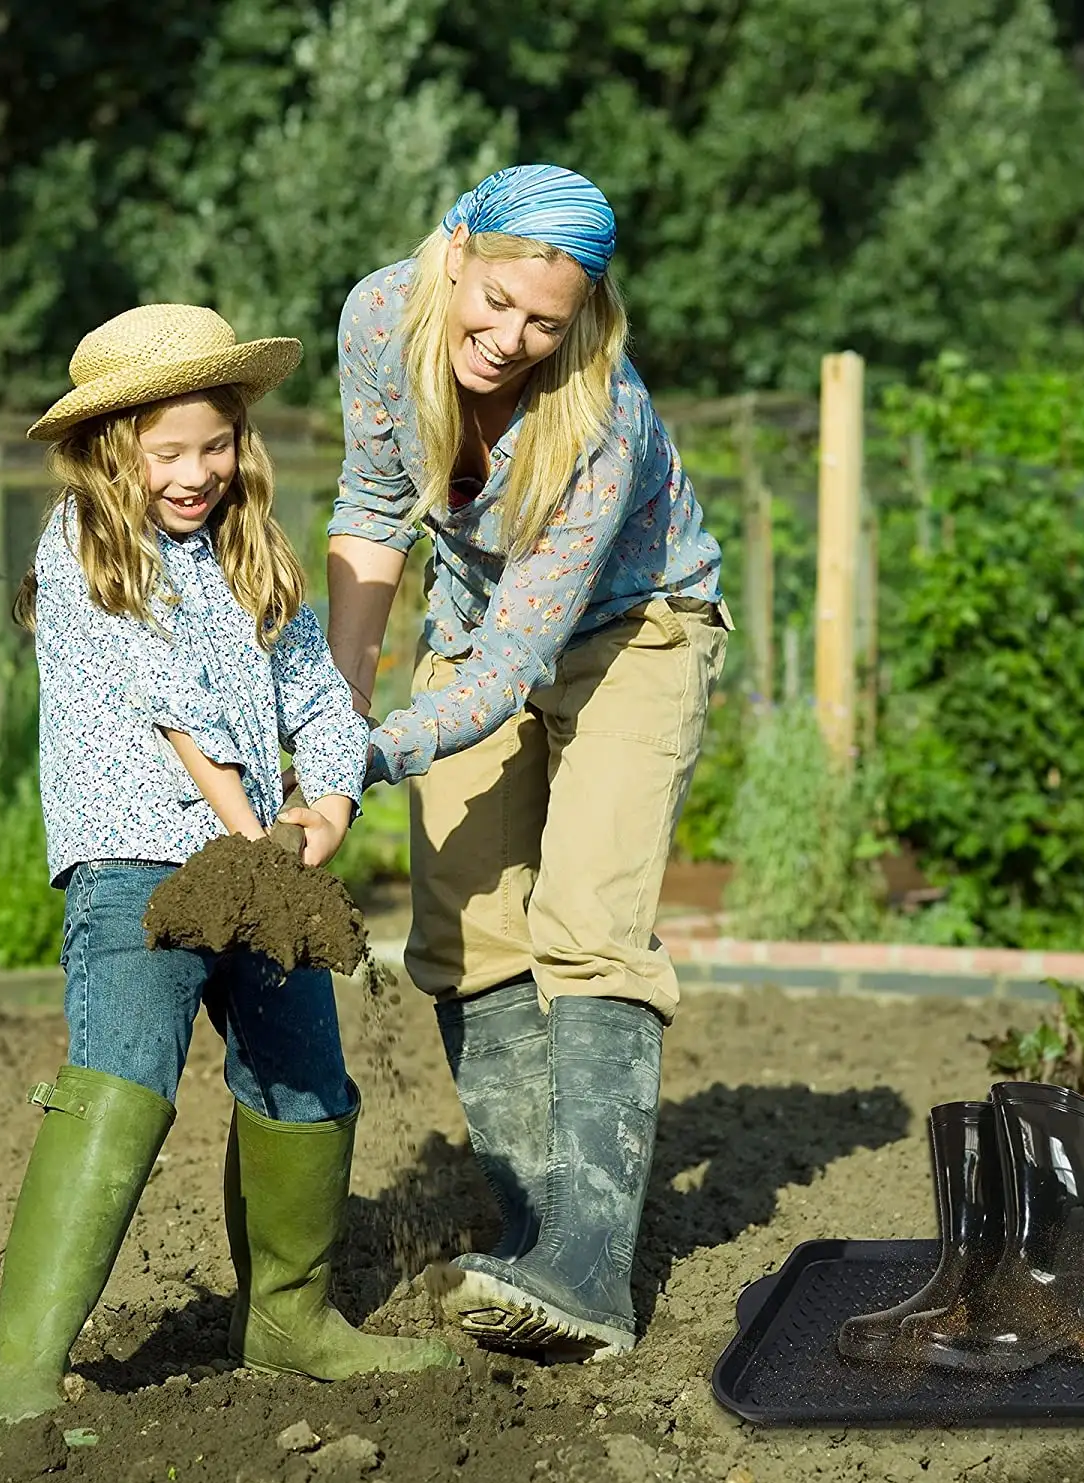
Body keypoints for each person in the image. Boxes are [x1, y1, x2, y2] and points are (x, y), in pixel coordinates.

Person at [0, 305, 458, 1424]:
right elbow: (167, 703)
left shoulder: (250, 555)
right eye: (169, 452)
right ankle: (17, 1386)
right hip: (139, 858)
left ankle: (290, 1323)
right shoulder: (82, 543)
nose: (197, 474)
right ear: (111, 451)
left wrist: (327, 798)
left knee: (305, 1078)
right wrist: (248, 821)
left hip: (254, 858)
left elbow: (316, 689)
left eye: (216, 445)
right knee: (126, 1082)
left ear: (243, 438)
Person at [326, 164, 729, 1359]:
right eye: (494, 301)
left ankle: (591, 1276)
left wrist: (368, 755)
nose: (508, 340)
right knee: (461, 938)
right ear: (455, 250)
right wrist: (335, 711)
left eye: (543, 322)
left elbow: (517, 663)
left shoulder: (603, 417)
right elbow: (370, 506)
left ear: (583, 317)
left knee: (586, 923)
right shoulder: (375, 321)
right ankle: (536, 1236)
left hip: (631, 630)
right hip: (472, 621)